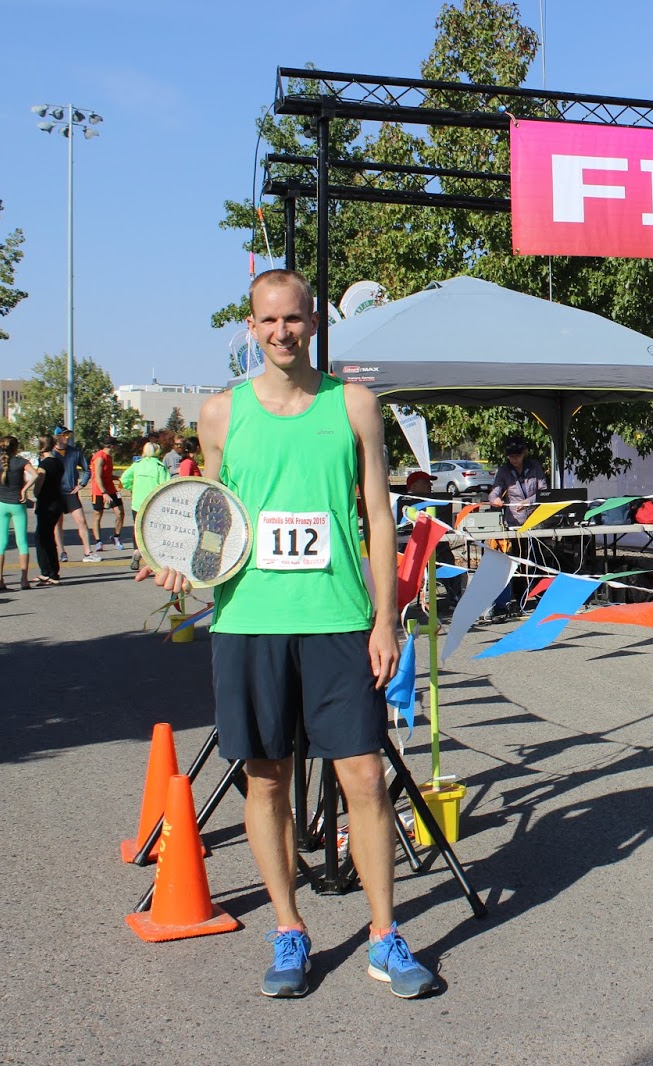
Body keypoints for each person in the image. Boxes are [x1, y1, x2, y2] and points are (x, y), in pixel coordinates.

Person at [143, 268, 435, 999]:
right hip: (249, 621)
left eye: (294, 320)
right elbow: (207, 512)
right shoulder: (221, 414)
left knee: (364, 776)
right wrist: (182, 564)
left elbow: (377, 518)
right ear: (251, 326)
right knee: (266, 777)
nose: (282, 333)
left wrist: (383, 616)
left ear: (313, 323)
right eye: (268, 321)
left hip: (339, 620)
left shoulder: (356, 405)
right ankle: (289, 929)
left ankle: (383, 936)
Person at [487, 435, 547, 614]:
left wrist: (529, 501)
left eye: (517, 456)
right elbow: (494, 491)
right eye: (511, 457)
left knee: (537, 559)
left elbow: (544, 492)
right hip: (514, 523)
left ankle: (539, 596)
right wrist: (495, 499)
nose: (514, 460)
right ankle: (520, 599)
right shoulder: (503, 470)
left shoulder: (535, 466)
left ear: (524, 453)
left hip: (536, 521)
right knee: (518, 561)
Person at [0, 435, 37, 591]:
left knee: (0, 543)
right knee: (22, 542)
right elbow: (35, 475)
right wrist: (24, 489)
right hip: (17, 504)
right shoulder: (21, 462)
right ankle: (24, 580)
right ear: (16, 448)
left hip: (2, 504)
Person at [51, 426, 99, 563]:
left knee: (81, 521)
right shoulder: (51, 453)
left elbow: (87, 470)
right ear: (57, 437)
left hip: (71, 493)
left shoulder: (75, 452)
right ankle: (62, 552)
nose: (67, 438)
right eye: (64, 435)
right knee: (57, 524)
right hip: (57, 494)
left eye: (68, 435)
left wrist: (81, 484)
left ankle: (88, 552)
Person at [121, 442, 170, 571]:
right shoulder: (159, 467)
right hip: (154, 504)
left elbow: (124, 479)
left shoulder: (137, 465)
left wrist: (133, 488)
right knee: (154, 531)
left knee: (138, 529)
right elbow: (166, 485)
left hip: (137, 503)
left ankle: (137, 551)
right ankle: (153, 560)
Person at [33, 438, 66, 586]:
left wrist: (35, 493)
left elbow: (38, 485)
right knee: (48, 537)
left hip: (46, 504)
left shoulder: (44, 465)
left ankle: (47, 572)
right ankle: (52, 571)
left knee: (41, 538)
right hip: (57, 502)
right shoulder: (59, 462)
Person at [89, 436, 126, 551]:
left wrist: (118, 478)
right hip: (99, 491)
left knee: (120, 512)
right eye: (116, 445)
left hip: (112, 490)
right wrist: (104, 493)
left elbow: (107, 476)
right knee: (97, 515)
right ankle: (98, 542)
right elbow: (98, 477)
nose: (117, 447)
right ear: (111, 446)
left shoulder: (109, 457)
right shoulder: (99, 457)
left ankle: (116, 537)